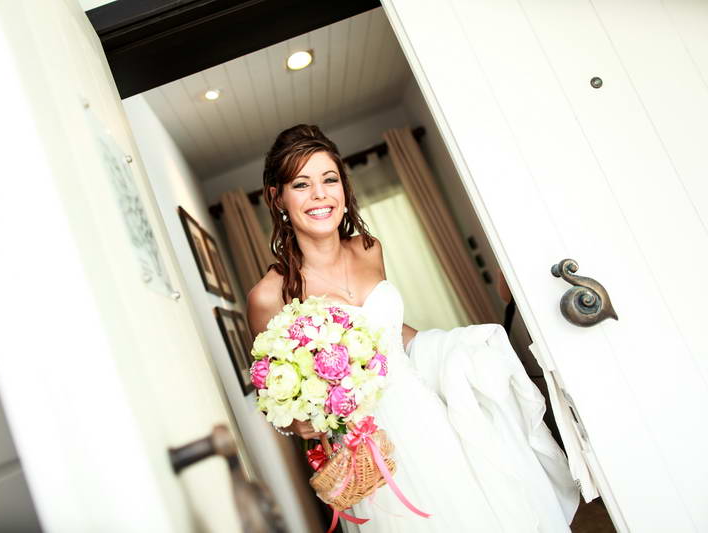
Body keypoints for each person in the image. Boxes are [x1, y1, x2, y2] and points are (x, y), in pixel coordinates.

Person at [247, 124, 579, 532]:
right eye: (301, 184)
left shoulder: (369, 249)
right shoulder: (269, 295)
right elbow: (274, 398)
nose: (320, 194)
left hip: (427, 415)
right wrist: (298, 424)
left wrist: (460, 347)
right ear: (277, 197)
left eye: (329, 179)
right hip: (372, 450)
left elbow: (385, 332)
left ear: (343, 188)